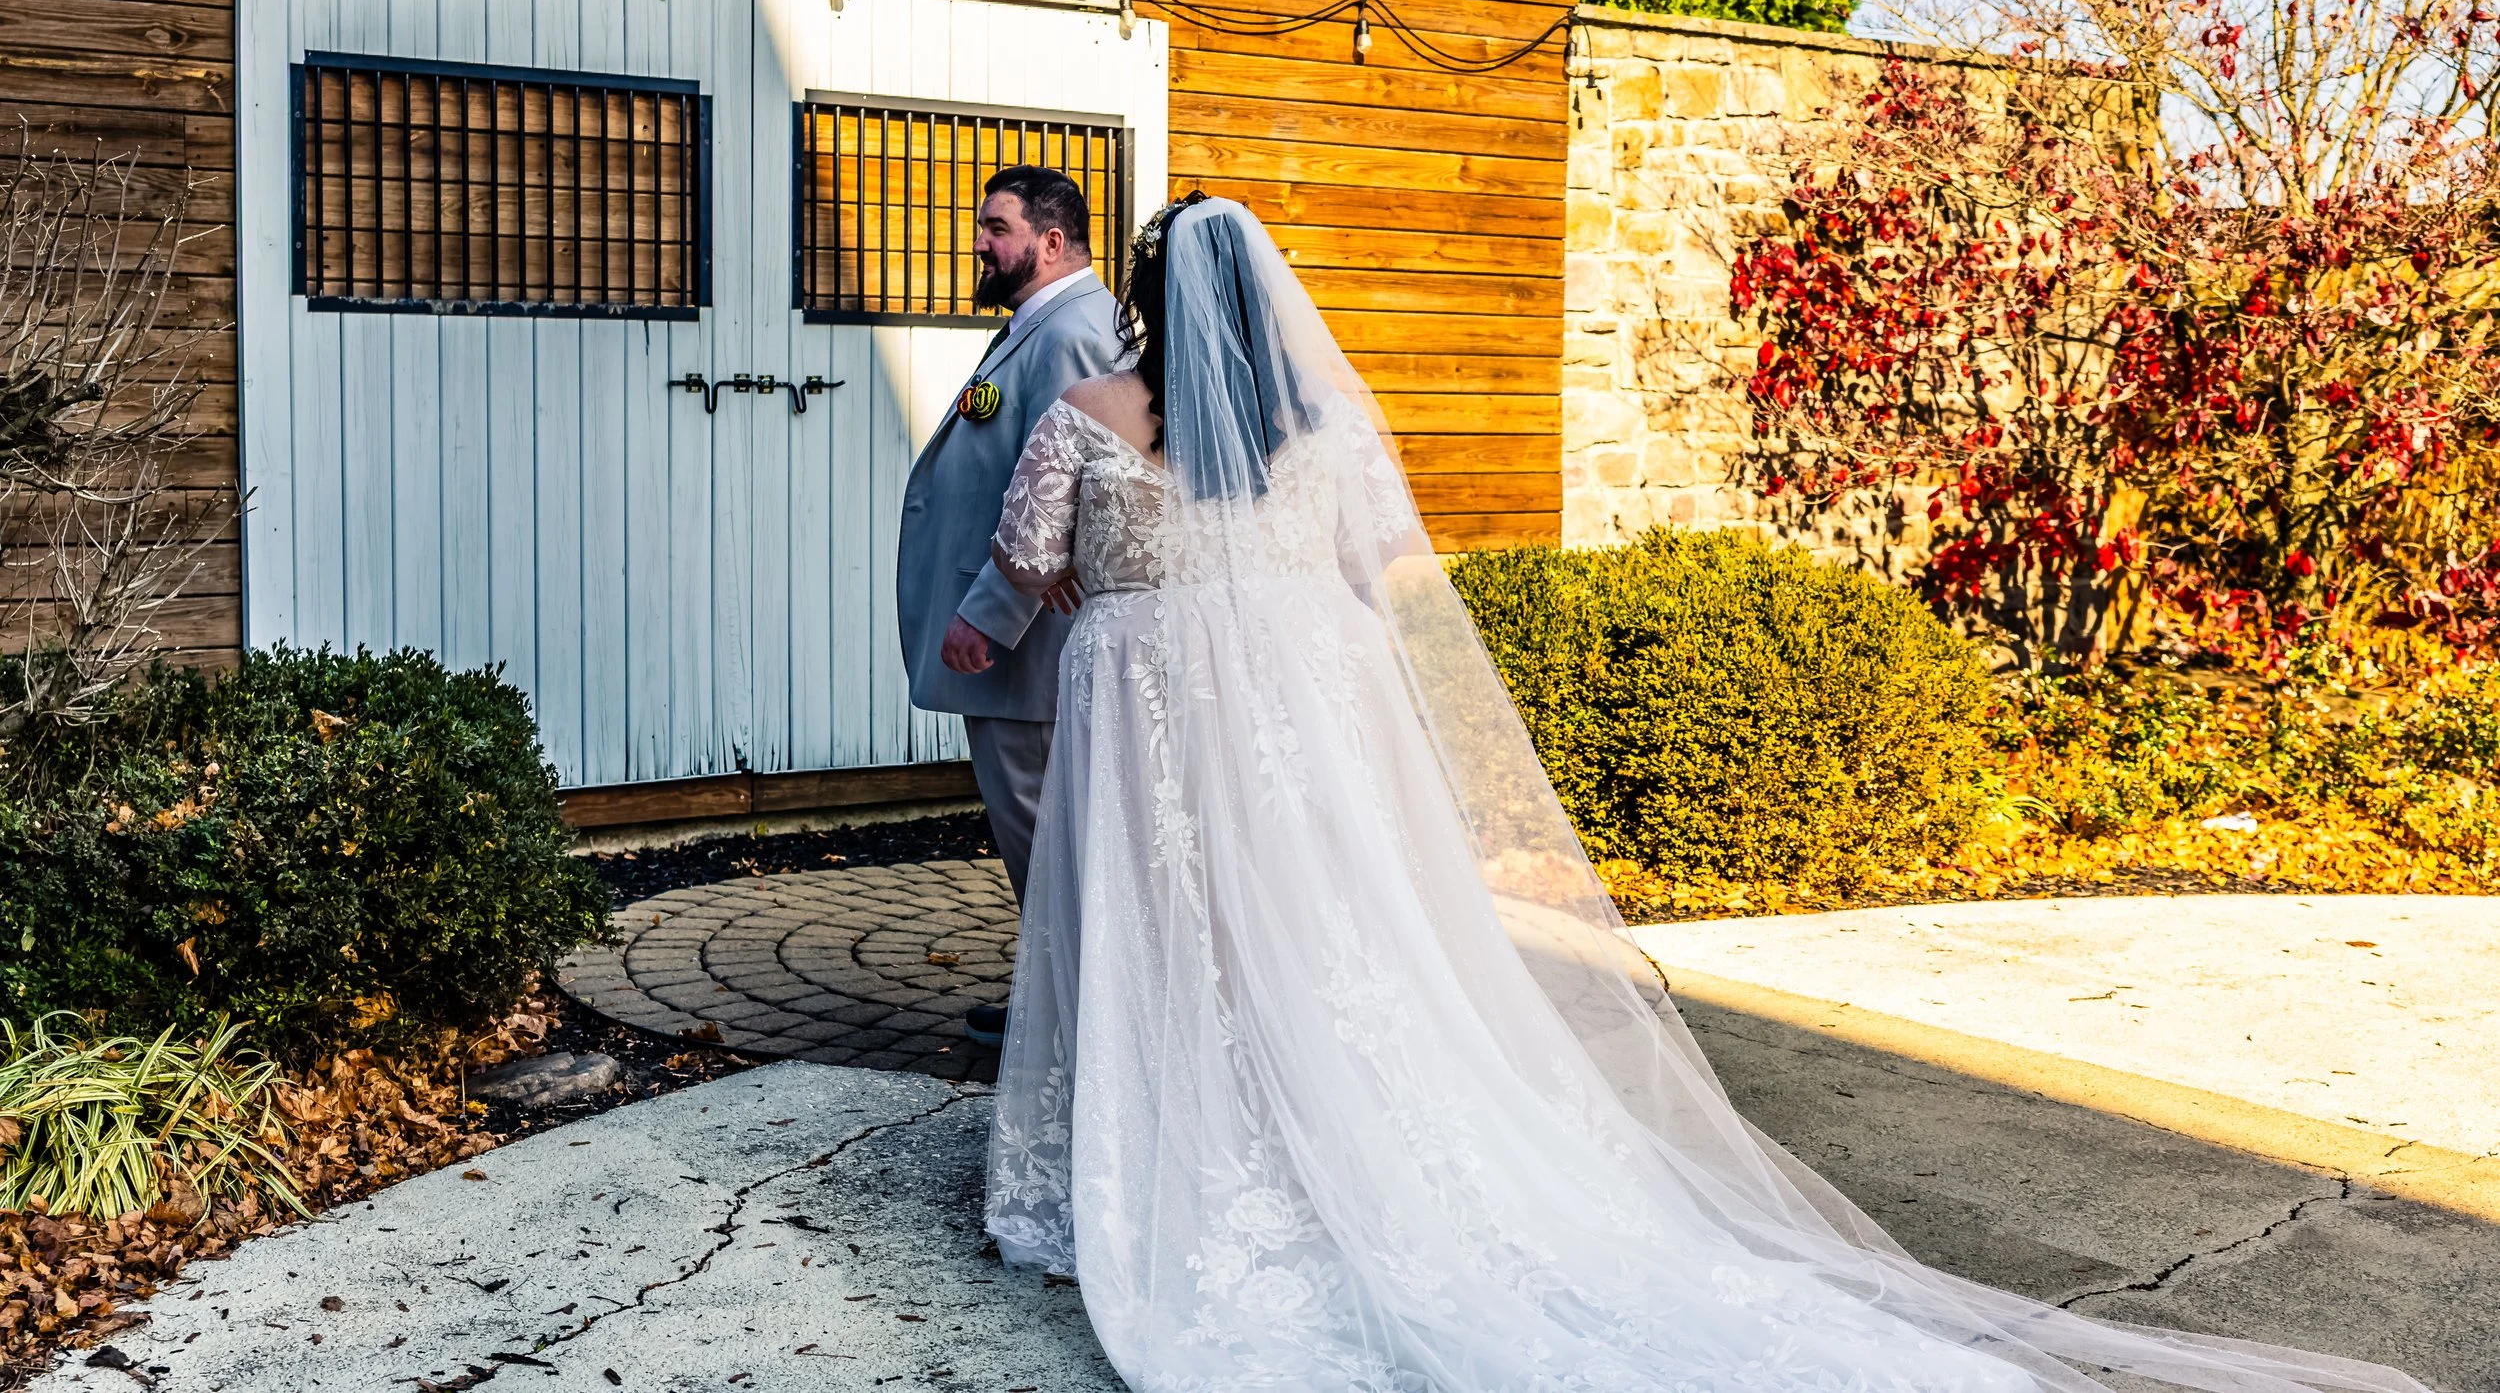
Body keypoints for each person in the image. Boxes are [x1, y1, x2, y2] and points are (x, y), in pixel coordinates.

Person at [977, 193, 2429, 1393]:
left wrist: (1149, 590)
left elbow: (1036, 565)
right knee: (1330, 936)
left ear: (1151, 289)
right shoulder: (1321, 429)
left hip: (1152, 711)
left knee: (1170, 930)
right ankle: (1329, 1142)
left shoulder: (1088, 408)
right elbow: (1369, 568)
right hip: (1301, 710)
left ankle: (1176, 1155)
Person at [895, 164, 1122, 1047]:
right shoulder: (1038, 325)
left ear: (1051, 241)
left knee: (1043, 835)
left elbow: (1063, 495)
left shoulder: (1070, 334)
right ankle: (1049, 993)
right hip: (1018, 643)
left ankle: (1069, 1019)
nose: (980, 243)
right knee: (1039, 836)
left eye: (996, 227)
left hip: (1026, 647)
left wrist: (987, 616)